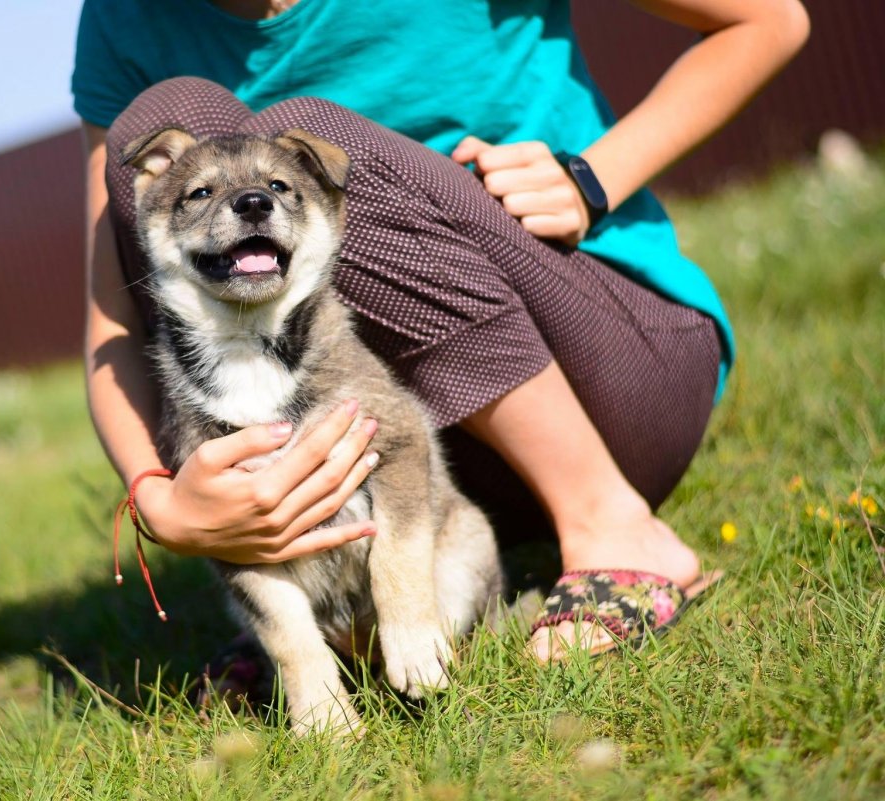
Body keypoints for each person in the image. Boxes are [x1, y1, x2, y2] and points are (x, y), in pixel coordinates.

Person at [74, 0, 809, 662]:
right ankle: (329, 612)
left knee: (321, 141)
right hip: (417, 452)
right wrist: (162, 502)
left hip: (605, 365)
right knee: (159, 116)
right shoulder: (126, 18)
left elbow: (770, 20)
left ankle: (612, 524)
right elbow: (115, 311)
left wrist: (592, 177)